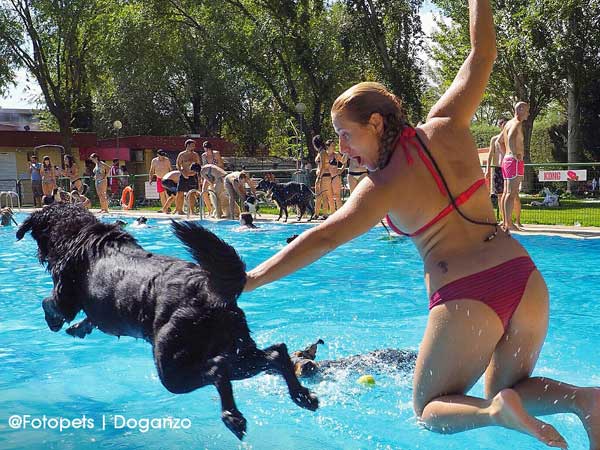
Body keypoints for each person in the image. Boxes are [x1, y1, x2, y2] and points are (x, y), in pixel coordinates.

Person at [243, 0, 599, 447]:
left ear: (375, 122)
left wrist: (252, 279)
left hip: (470, 294)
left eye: (346, 134)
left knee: (430, 408)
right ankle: (586, 400)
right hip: (524, 278)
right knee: (507, 387)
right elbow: (481, 54)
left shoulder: (382, 186)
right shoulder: (447, 124)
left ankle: (494, 413)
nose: (342, 147)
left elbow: (323, 237)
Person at [502, 102, 529, 231]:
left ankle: (506, 222)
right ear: (521, 110)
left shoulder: (507, 123)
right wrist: (513, 153)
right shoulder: (516, 124)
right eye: (527, 111)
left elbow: (500, 141)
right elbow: (512, 137)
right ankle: (509, 224)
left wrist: (507, 154)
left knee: (508, 193)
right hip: (514, 160)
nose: (528, 113)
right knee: (512, 193)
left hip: (507, 160)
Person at [174, 139, 201, 215]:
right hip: (184, 175)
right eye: (192, 145)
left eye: (194, 146)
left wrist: (197, 174)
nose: (194, 147)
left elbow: (198, 165)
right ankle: (179, 210)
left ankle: (192, 210)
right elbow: (178, 165)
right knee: (180, 193)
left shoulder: (195, 155)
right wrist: (182, 172)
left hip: (193, 175)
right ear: (188, 146)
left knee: (192, 193)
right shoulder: (181, 155)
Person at [313, 135, 335, 219]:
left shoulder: (322, 153)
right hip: (323, 175)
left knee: (322, 196)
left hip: (323, 176)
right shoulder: (322, 152)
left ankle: (321, 214)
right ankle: (318, 214)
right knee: (320, 195)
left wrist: (319, 178)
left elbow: (322, 166)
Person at [149, 149, 173, 213]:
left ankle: (167, 207)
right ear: (158, 155)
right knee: (161, 194)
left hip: (167, 179)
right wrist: (150, 179)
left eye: (163, 155)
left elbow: (170, 169)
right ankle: (164, 208)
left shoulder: (167, 160)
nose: (162, 157)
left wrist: (172, 178)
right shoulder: (154, 161)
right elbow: (152, 170)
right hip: (159, 179)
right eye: (161, 155)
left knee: (167, 194)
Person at [326, 139, 345, 211]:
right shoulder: (324, 155)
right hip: (327, 177)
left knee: (337, 196)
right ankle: (333, 213)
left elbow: (344, 162)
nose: (334, 147)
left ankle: (340, 213)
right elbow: (317, 162)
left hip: (335, 176)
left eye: (334, 145)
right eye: (332, 145)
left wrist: (341, 169)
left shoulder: (336, 154)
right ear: (328, 146)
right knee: (329, 196)